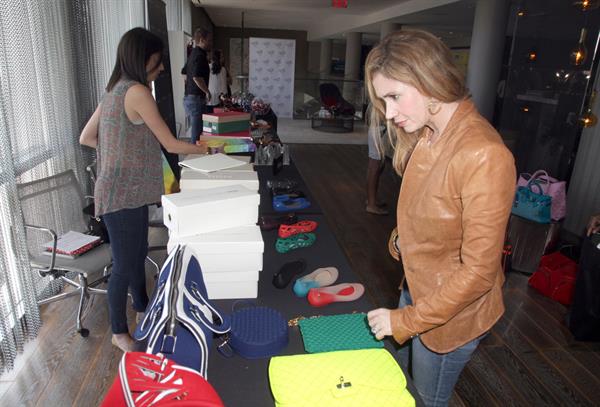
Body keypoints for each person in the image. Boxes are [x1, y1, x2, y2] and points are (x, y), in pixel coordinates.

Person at [364, 30, 516, 406]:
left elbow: (480, 273)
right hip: (418, 292)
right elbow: (432, 214)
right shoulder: (430, 133)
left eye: (395, 96)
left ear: (430, 82)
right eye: (384, 100)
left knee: (426, 399)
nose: (390, 112)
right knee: (401, 381)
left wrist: (404, 321)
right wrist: (402, 239)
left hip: (452, 316)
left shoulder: (484, 154)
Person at [80, 27, 209, 352]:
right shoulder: (137, 91)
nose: (162, 67)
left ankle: (142, 308)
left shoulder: (113, 91)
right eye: (158, 60)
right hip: (121, 195)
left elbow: (87, 137)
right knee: (125, 264)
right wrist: (209, 150)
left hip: (123, 191)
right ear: (142, 58)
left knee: (136, 256)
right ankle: (119, 333)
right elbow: (169, 143)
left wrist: (118, 155)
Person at [182, 28, 212, 143]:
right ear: (202, 40)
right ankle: (194, 157)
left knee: (197, 131)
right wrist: (206, 91)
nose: (211, 43)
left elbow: (184, 73)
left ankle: (195, 156)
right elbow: (196, 77)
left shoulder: (193, 54)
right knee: (197, 134)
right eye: (209, 40)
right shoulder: (199, 55)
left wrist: (189, 86)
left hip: (190, 97)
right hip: (195, 99)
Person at [366, 121, 389, 215]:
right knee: (374, 167)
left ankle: (372, 199)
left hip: (378, 129)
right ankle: (371, 204)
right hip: (378, 129)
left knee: (378, 166)